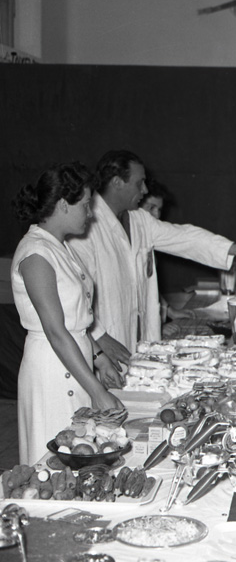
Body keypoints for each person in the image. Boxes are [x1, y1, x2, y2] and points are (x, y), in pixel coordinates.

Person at [69, 151, 236, 366]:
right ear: (117, 183)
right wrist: (99, 338)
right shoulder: (86, 227)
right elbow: (74, 295)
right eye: (139, 183)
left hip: (139, 343)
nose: (145, 190)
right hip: (104, 348)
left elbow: (185, 238)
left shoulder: (139, 220)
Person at [11, 162, 124, 465]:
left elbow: (76, 320)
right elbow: (55, 331)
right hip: (51, 367)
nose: (91, 213)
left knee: (80, 451)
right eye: (85, 205)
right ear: (63, 204)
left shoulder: (59, 246)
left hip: (74, 359)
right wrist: (96, 390)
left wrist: (99, 357)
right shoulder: (36, 253)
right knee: (55, 458)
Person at [139, 178, 195, 328]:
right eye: (151, 208)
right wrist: (159, 329)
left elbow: (149, 286)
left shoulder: (148, 237)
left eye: (159, 210)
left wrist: (170, 311)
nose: (157, 215)